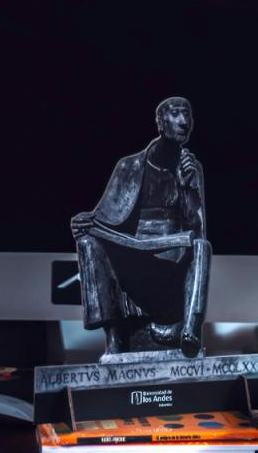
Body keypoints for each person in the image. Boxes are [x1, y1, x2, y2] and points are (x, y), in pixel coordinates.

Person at [71, 97, 211, 358]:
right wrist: (84, 221)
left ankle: (190, 330)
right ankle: (114, 339)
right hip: (131, 253)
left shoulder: (192, 168)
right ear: (160, 122)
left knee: (203, 247)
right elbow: (103, 217)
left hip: (173, 254)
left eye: (187, 115)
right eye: (176, 114)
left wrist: (188, 188)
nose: (183, 121)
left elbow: (198, 230)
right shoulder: (129, 166)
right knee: (88, 242)